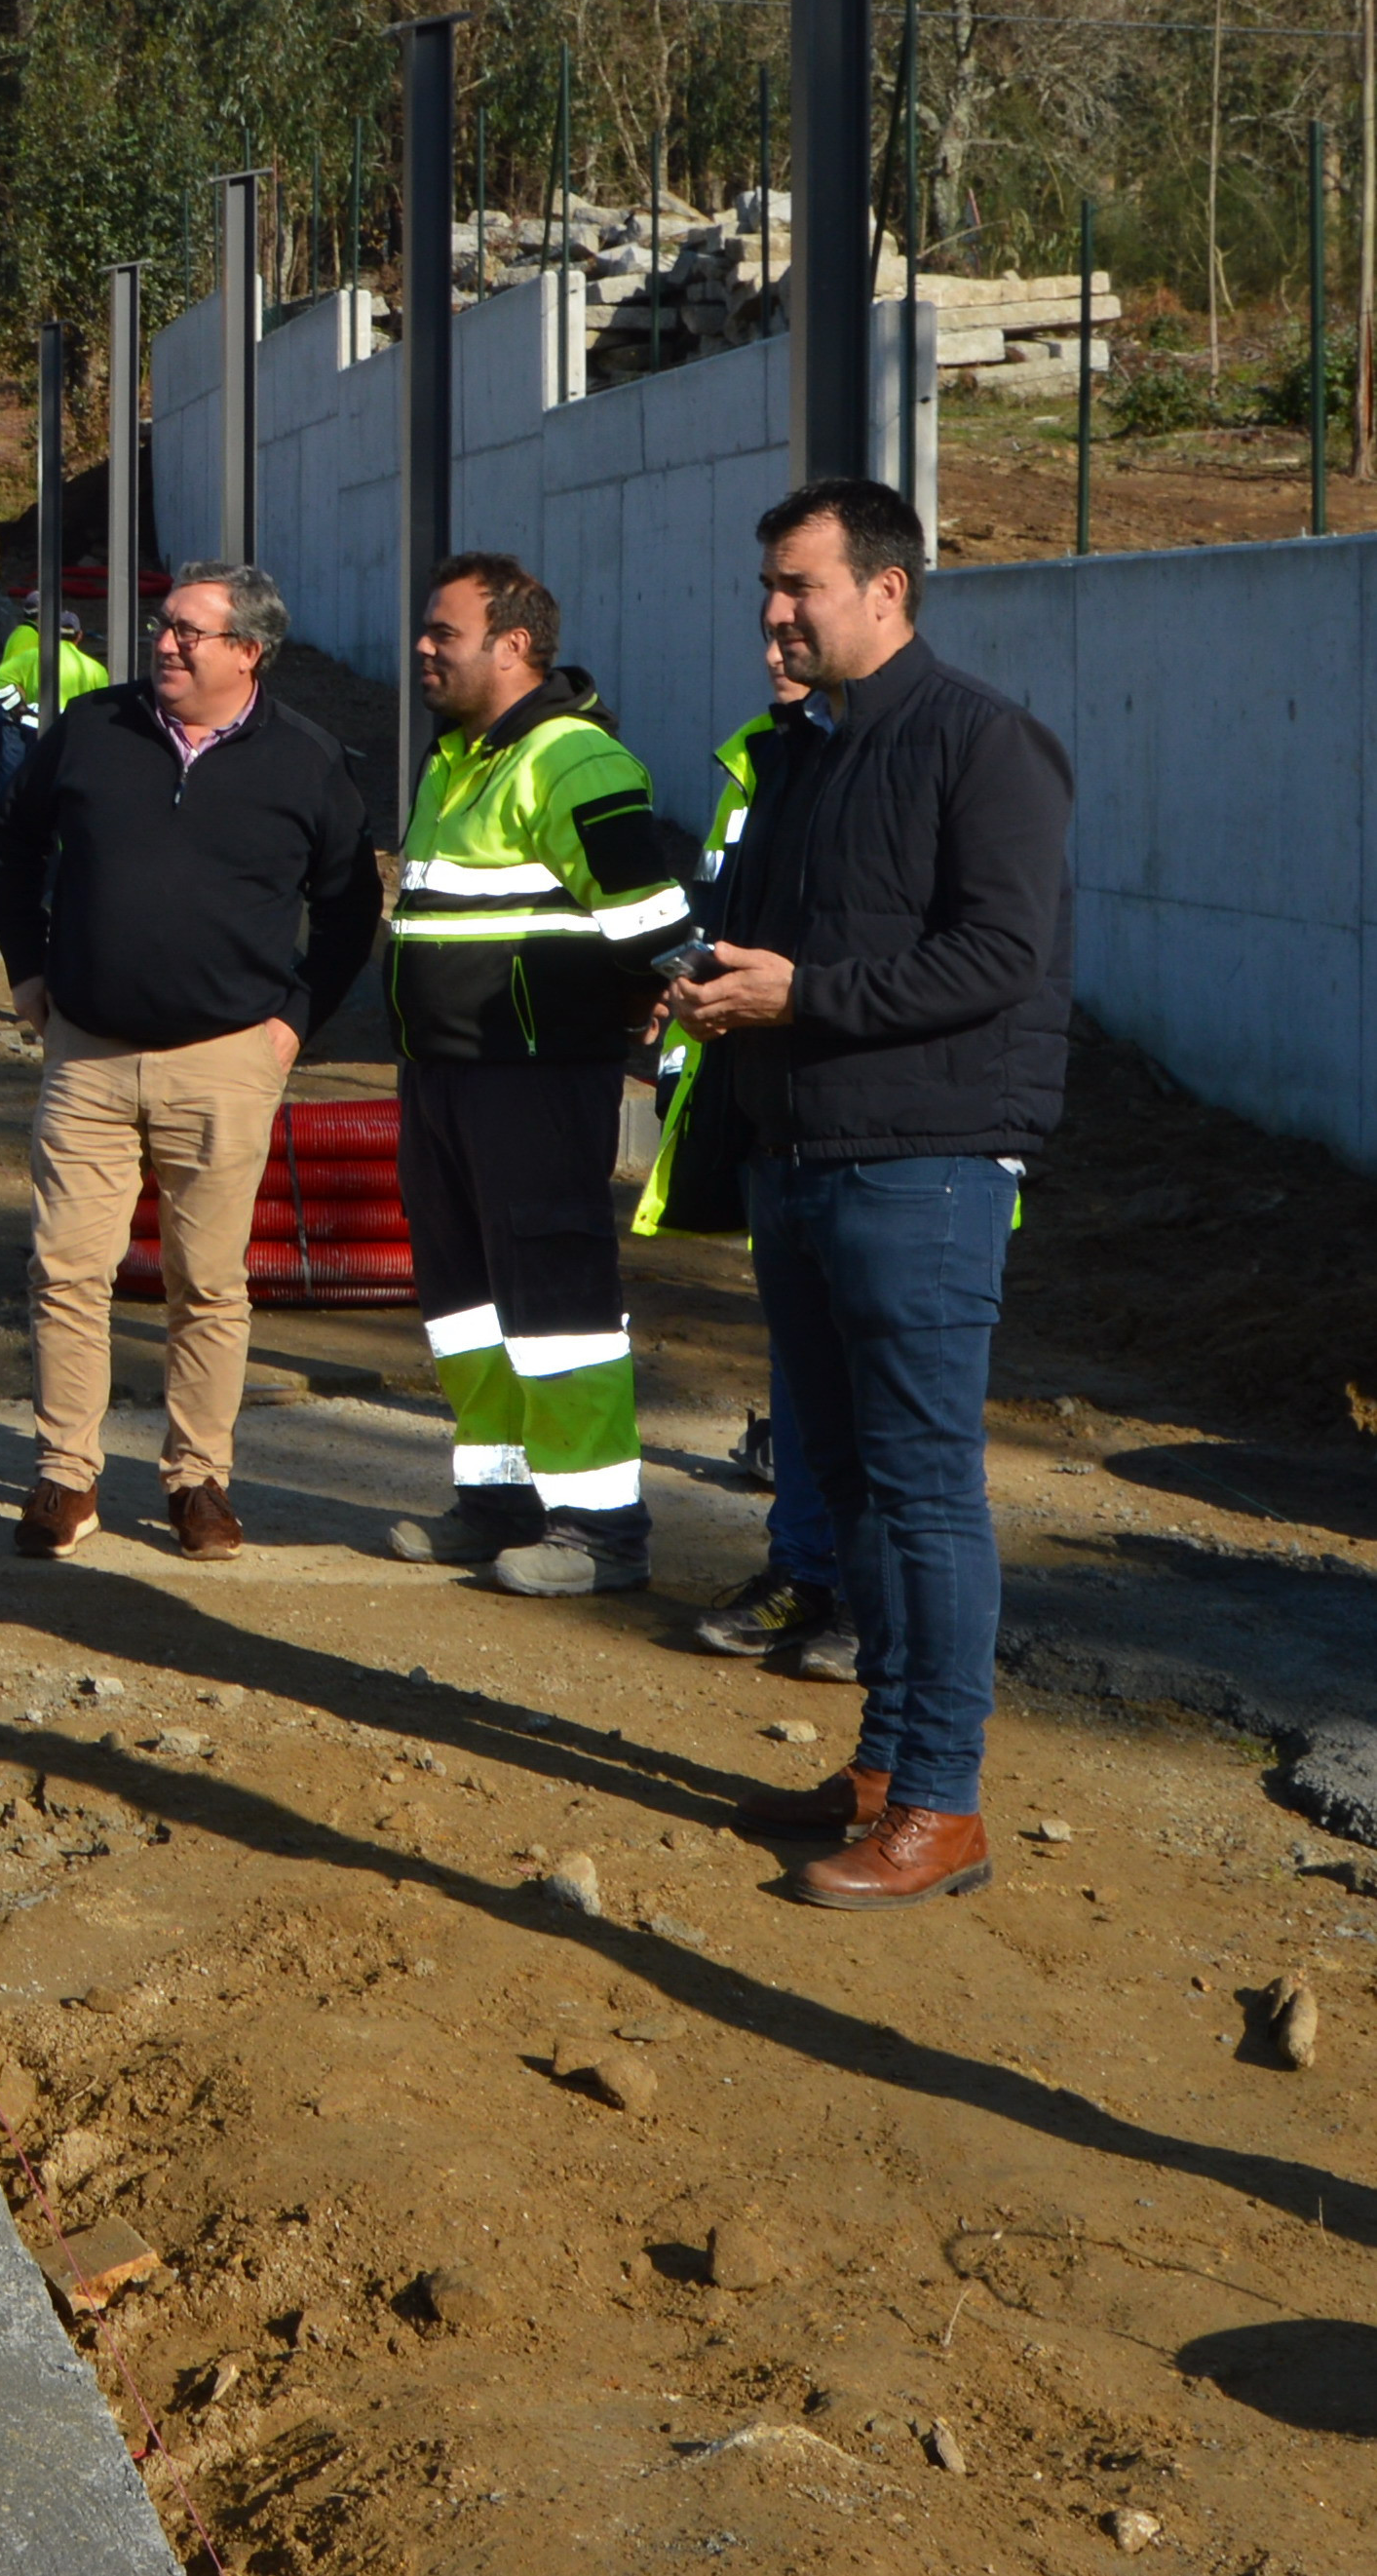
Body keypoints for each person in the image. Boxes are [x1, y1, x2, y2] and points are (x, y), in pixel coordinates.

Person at [677, 478, 1073, 1912]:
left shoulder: (981, 743)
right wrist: (720, 987)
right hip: (799, 1158)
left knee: (920, 1497)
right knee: (840, 1487)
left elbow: (999, 957)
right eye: (767, 589)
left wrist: (806, 992)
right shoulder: (801, 755)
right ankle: (876, 1766)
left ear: (886, 591)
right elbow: (778, 942)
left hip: (922, 1166)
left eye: (799, 586)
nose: (773, 613)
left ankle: (938, 1806)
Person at [0, 561, 378, 1562]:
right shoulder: (91, 729)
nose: (164, 642)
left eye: (190, 631)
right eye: (163, 626)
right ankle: (65, 1478)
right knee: (66, 1270)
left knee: (207, 1284)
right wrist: (29, 970)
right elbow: (11, 841)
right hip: (88, 1055)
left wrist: (293, 1023)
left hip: (227, 1060)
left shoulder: (307, 761)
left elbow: (348, 908)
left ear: (248, 650)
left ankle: (198, 1480)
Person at [373, 556, 698, 1595]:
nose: (424, 646)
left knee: (558, 1300)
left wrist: (650, 1023)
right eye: (425, 629)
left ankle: (601, 1530)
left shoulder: (571, 759)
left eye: (444, 632)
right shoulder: (454, 756)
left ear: (514, 645)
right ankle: (499, 1498)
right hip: (446, 1078)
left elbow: (654, 921)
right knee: (466, 1301)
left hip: (535, 1081)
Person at [638, 666, 863, 1682]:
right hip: (769, 1101)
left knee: (880, 1393)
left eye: (799, 607)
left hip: (873, 1121)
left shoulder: (918, 753)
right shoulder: (761, 756)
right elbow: (734, 895)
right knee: (800, 1368)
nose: (778, 641)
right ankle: (805, 1571)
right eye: (767, 614)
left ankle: (872, 1602)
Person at [0, 601, 105, 812]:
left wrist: (18, 708)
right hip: (73, 735)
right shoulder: (96, 669)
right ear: (79, 636)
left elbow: (1, 676)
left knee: (34, 783)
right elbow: (101, 707)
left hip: (36, 728)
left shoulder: (34, 657)